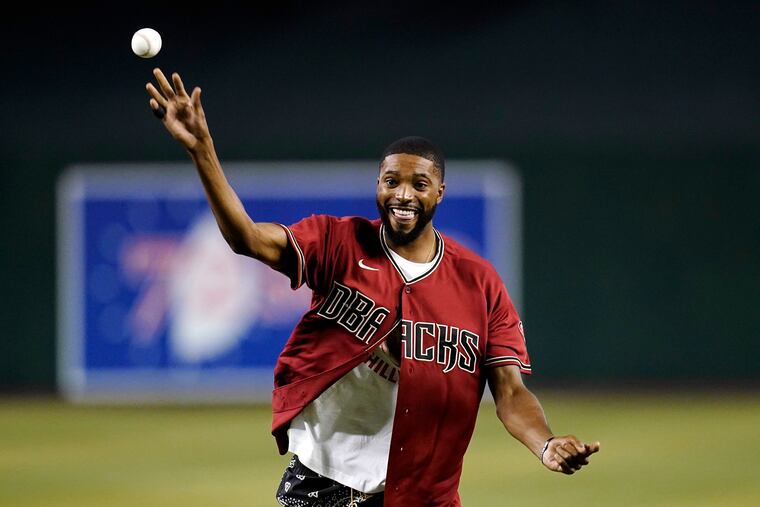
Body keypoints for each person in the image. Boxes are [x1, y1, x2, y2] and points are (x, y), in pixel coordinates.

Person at [145, 67, 600, 506]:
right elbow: (246, 238)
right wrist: (202, 150)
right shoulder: (337, 242)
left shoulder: (479, 284)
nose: (403, 194)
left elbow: (510, 391)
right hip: (323, 480)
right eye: (391, 181)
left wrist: (545, 443)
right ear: (378, 186)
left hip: (424, 495)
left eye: (419, 184)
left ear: (439, 192)